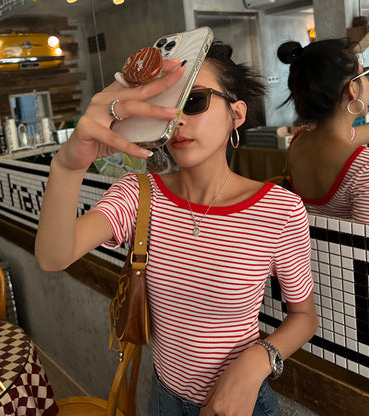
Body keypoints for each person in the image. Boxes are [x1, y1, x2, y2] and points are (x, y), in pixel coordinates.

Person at [35, 41, 318, 416]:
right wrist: (67, 166)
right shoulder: (138, 195)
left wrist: (256, 362)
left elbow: (304, 317)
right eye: (167, 105)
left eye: (195, 101)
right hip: (163, 399)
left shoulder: (278, 210)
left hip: (243, 403)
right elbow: (54, 256)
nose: (177, 119)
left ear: (236, 114)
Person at [278, 38, 369, 223]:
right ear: (352, 89)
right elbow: (363, 247)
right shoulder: (363, 168)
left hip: (309, 251)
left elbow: (352, 136)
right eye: (363, 75)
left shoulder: (299, 142)